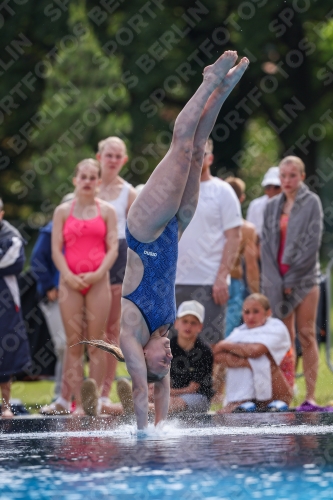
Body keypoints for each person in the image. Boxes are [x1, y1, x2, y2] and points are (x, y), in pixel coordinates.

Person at [82, 51, 250, 429]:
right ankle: (222, 91)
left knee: (181, 145)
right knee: (197, 149)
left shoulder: (132, 333)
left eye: (162, 359)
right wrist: (162, 427)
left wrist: (145, 435)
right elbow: (159, 387)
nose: (170, 356)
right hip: (173, 231)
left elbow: (143, 390)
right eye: (169, 360)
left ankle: (209, 79)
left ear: (140, 355)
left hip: (145, 231)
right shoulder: (162, 331)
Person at [41, 159, 118, 416]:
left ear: (98, 182)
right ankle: (77, 403)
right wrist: (68, 276)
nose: (87, 181)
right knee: (74, 345)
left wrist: (97, 273)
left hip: (98, 282)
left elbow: (113, 248)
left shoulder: (107, 211)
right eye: (82, 176)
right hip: (70, 283)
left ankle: (92, 402)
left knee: (96, 343)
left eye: (92, 177)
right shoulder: (63, 211)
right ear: (75, 180)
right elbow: (55, 250)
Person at [261, 156, 323, 410]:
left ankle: (310, 395)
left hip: (305, 278)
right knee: (283, 339)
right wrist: (275, 282)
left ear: (302, 176)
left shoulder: (312, 203)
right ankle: (285, 394)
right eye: (283, 176)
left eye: (292, 176)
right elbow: (266, 247)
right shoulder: (272, 206)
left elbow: (312, 244)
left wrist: (292, 279)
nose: (286, 181)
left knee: (306, 334)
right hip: (277, 280)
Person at [174, 139, 242, 346]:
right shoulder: (175, 191)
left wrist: (222, 277)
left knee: (210, 346)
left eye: (201, 154)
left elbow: (234, 236)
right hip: (174, 280)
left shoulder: (222, 191)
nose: (196, 158)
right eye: (191, 153)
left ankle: (211, 381)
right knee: (171, 347)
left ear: (210, 158)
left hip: (209, 281)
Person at [96, 137, 137, 412]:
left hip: (118, 256)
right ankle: (72, 394)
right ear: (99, 156)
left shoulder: (129, 192)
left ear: (124, 160)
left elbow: (135, 234)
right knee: (84, 329)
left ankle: (103, 393)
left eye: (117, 156)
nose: (112, 160)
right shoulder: (88, 185)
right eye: (108, 155)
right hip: (90, 253)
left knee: (111, 330)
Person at [213, 294, 293, 412]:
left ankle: (242, 403)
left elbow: (255, 351)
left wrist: (224, 345)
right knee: (258, 362)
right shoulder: (239, 332)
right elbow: (218, 356)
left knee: (266, 362)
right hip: (248, 395)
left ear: (268, 313)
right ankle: (242, 402)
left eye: (256, 311)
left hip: (278, 392)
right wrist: (248, 363)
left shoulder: (277, 328)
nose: (250, 316)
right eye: (247, 312)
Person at [30, 193, 74, 401]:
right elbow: (37, 261)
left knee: (78, 346)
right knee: (63, 345)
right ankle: (61, 395)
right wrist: (48, 285)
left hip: (78, 294)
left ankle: (77, 395)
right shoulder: (50, 230)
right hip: (55, 296)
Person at [0, 198, 31, 417]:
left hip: (6, 304)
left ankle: (5, 405)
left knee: (5, 356)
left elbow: (13, 262)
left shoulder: (11, 236)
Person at [224, 177, 260, 336]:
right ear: (242, 198)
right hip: (233, 281)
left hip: (207, 279)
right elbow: (251, 266)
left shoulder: (211, 223)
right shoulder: (247, 229)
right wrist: (256, 295)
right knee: (227, 334)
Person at [169, 301, 213, 413]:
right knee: (146, 397)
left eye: (193, 323)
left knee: (172, 403)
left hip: (198, 397)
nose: (188, 326)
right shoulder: (168, 346)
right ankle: (125, 408)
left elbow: (193, 388)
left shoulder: (204, 351)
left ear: (200, 327)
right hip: (170, 394)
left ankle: (135, 409)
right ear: (176, 323)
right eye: (185, 321)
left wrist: (166, 393)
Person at [246, 166, 281, 240]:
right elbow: (251, 232)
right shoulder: (255, 205)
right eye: (268, 187)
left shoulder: (291, 205)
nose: (272, 190)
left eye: (276, 187)